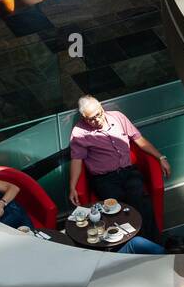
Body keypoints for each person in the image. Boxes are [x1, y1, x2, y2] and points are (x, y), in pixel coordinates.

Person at [68, 95, 170, 241]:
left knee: (142, 203)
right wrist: (72, 186)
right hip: (104, 179)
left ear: (102, 108)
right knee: (118, 210)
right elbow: (76, 160)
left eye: (98, 114)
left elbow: (138, 139)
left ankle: (154, 244)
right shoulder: (79, 132)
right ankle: (134, 245)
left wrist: (160, 157)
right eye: (91, 119)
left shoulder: (118, 117)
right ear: (84, 118)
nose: (97, 120)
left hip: (128, 172)